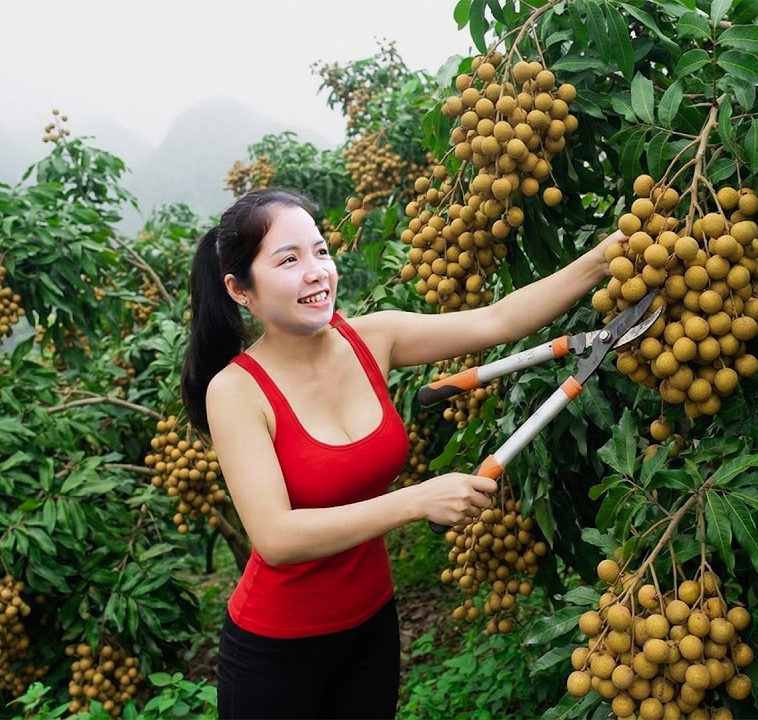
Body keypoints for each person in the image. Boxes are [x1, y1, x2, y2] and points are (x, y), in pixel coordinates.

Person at [181, 188, 624, 719]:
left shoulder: (374, 338)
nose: (316, 271)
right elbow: (277, 537)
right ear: (239, 289)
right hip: (276, 650)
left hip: (371, 627)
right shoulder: (235, 391)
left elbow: (498, 321)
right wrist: (416, 501)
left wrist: (605, 258)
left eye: (321, 251)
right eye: (288, 260)